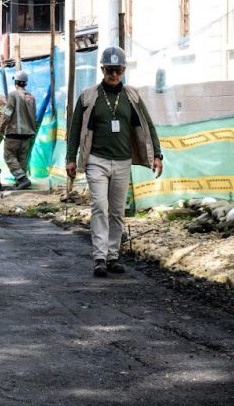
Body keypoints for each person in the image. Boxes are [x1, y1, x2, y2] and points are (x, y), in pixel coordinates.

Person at [65, 47, 163, 278]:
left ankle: (113, 255)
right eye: (110, 70)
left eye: (118, 70)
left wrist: (157, 155)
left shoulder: (132, 96)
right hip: (96, 160)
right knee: (100, 206)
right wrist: (70, 159)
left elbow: (148, 126)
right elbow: (75, 128)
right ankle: (100, 257)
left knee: (117, 211)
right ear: (102, 70)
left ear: (124, 70)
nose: (114, 75)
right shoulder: (89, 96)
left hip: (122, 161)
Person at [1, 70, 37, 191]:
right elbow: (34, 116)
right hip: (27, 134)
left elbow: (7, 113)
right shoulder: (31, 97)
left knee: (9, 156)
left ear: (16, 82)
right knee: (22, 159)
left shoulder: (13, 95)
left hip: (14, 133)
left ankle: (22, 179)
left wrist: (0, 128)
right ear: (25, 83)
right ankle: (21, 182)